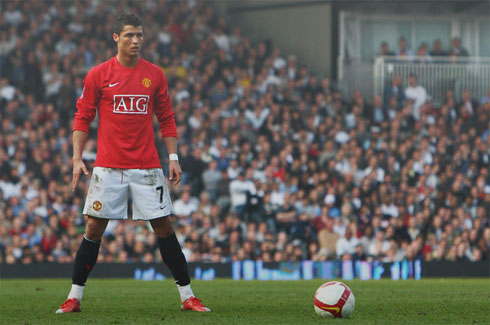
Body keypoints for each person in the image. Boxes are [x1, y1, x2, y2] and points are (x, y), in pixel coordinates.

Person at [55, 14, 210, 314]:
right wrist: (76, 158)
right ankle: (74, 297)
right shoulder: (99, 75)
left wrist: (173, 158)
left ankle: (188, 297)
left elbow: (166, 118)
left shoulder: (155, 75)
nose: (136, 40)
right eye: (129, 35)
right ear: (116, 38)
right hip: (108, 167)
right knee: (94, 226)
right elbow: (82, 117)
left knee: (164, 226)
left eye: (139, 35)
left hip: (147, 167)